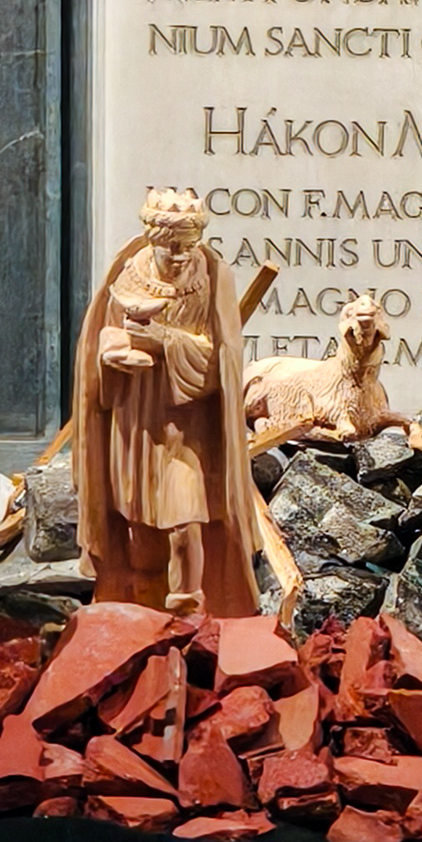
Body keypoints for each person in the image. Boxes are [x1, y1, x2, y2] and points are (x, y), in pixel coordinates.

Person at [73, 187, 260, 614]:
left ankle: (189, 609)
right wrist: (110, 357)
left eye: (188, 246)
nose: (179, 257)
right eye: (171, 247)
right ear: (152, 238)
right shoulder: (126, 276)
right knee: (138, 531)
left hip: (186, 429)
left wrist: (164, 341)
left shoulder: (212, 278)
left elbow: (222, 361)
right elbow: (99, 345)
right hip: (135, 422)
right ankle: (143, 612)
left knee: (184, 521)